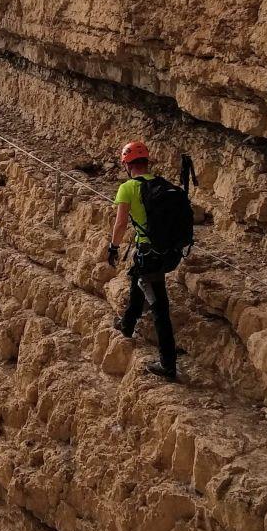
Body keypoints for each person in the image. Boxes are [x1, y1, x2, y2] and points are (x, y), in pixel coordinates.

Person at [105, 140, 179, 381]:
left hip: (149, 251)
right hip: (165, 251)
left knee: (159, 308)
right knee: (138, 277)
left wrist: (113, 247)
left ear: (127, 165)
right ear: (146, 162)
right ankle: (127, 324)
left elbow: (120, 223)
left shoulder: (127, 188)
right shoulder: (161, 185)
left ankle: (168, 365)